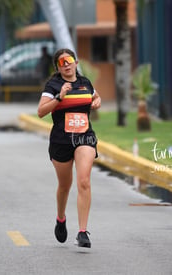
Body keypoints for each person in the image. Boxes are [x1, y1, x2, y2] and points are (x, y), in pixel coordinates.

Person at [37, 48, 101, 248]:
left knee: (84, 181)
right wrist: (59, 98)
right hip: (61, 140)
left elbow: (96, 97)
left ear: (76, 62)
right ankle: (61, 218)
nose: (66, 65)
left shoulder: (85, 83)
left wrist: (96, 102)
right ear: (57, 67)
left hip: (85, 137)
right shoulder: (53, 85)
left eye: (69, 61)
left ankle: (82, 232)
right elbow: (40, 112)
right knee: (65, 185)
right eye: (61, 63)